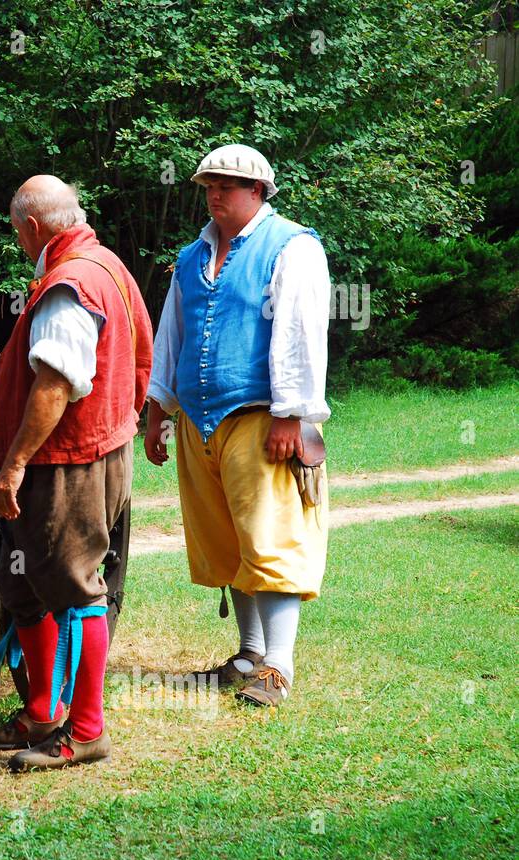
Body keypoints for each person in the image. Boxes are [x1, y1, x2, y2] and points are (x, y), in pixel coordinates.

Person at [0, 174, 153, 770]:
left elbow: (55, 386)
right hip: (92, 451)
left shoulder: (67, 285)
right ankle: (44, 710)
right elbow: (140, 357)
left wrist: (15, 463)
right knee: (23, 585)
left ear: (31, 227)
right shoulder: (107, 265)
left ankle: (86, 730)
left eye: (16, 233)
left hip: (67, 463)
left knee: (75, 588)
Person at [143, 144, 331, 707]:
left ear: (258, 191)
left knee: (271, 538)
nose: (216, 194)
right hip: (200, 420)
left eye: (227, 185)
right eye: (209, 185)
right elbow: (170, 334)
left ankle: (278, 667)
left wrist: (291, 414)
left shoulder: (292, 247)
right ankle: (249, 653)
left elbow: (301, 332)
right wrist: (158, 410)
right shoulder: (189, 257)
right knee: (227, 541)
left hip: (259, 417)